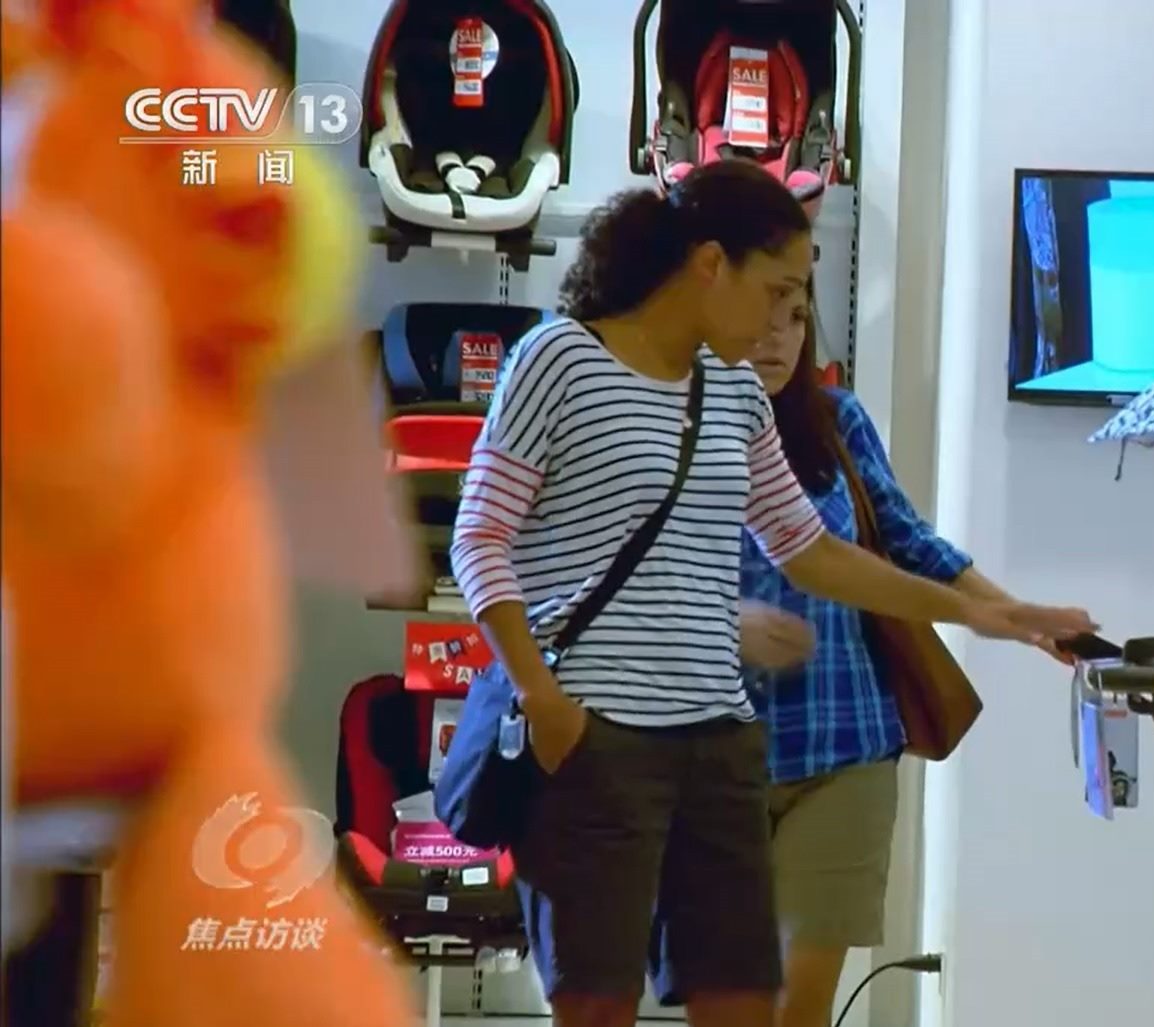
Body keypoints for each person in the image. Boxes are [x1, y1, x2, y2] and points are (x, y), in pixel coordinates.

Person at [449, 160, 1096, 1027]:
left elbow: (809, 549)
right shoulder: (559, 358)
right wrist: (539, 693)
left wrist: (991, 613)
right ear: (710, 264)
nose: (778, 323)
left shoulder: (732, 393)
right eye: (775, 291)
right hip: (593, 740)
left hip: (719, 748)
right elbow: (478, 536)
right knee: (596, 1005)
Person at [735, 282, 1074, 1027]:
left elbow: (905, 537)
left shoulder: (835, 421)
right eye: (761, 315)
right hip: (710, 755)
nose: (777, 337)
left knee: (800, 1005)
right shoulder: (671, 427)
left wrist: (1012, 615)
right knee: (730, 1002)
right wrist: (731, 623)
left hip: (844, 745)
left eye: (795, 318)